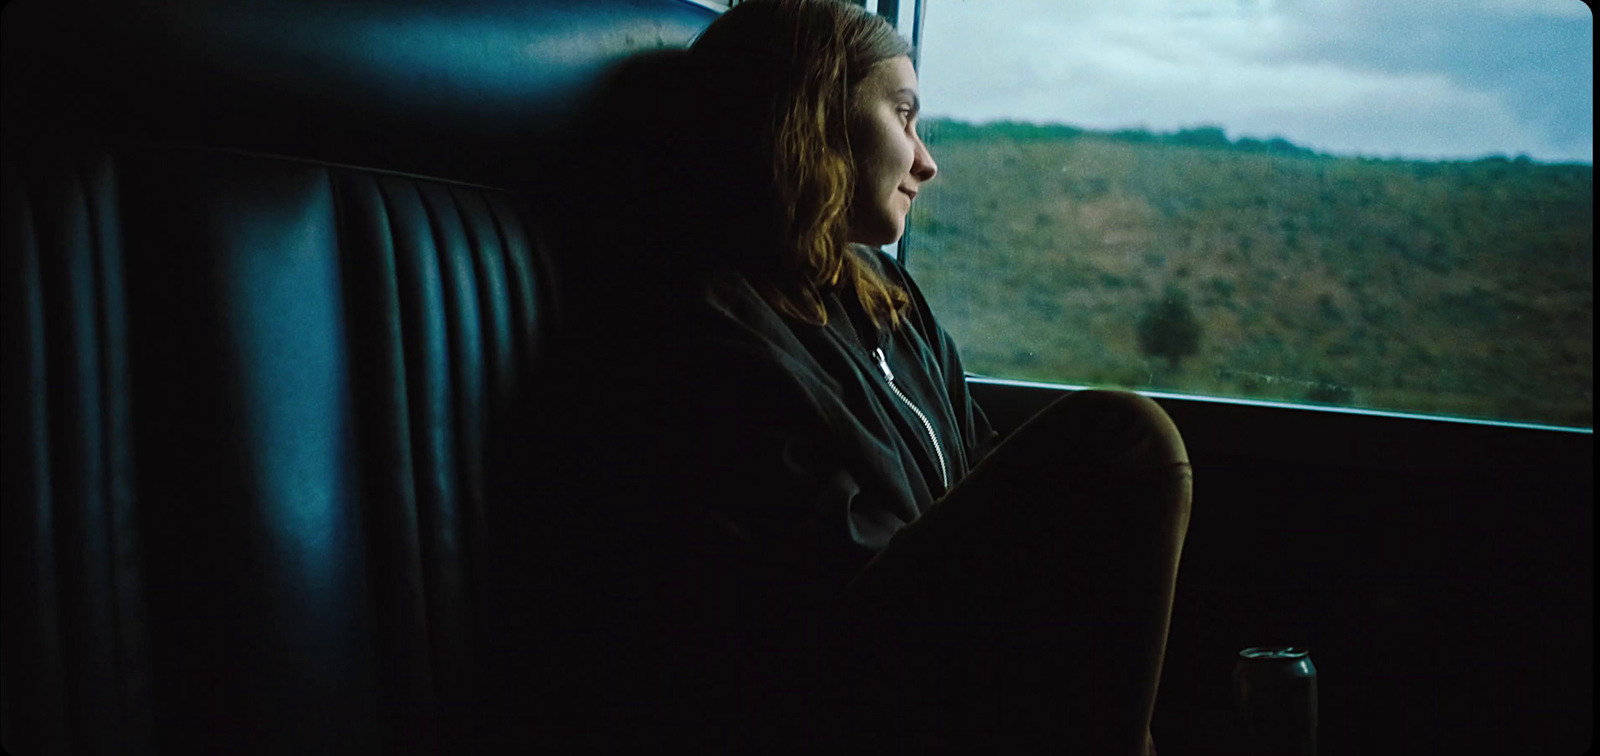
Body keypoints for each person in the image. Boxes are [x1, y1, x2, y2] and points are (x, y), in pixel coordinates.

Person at [520, 1, 1192, 753]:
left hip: (921, 658)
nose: (926, 161)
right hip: (815, 694)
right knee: (1124, 442)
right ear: (814, 114)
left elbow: (979, 469)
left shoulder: (885, 295)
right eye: (903, 115)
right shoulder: (702, 325)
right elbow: (810, 595)